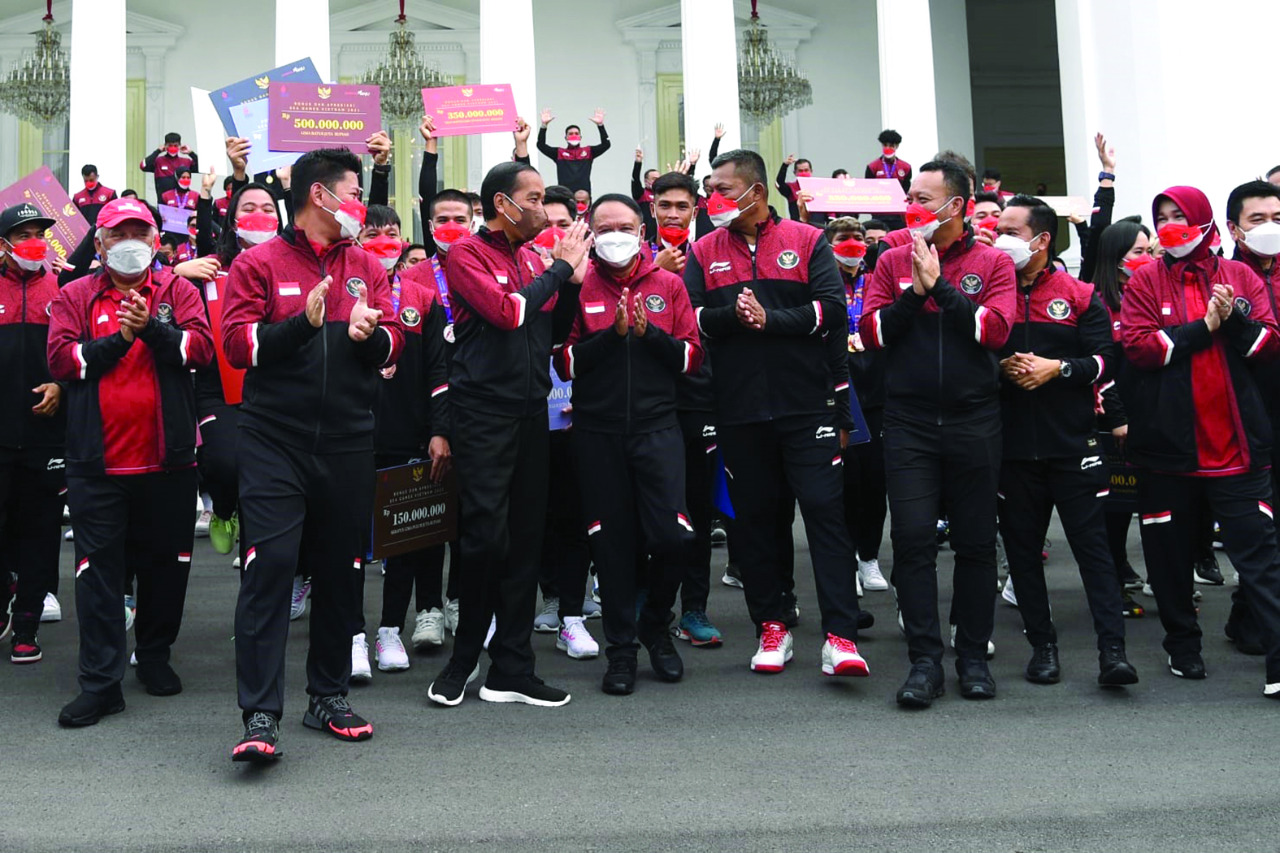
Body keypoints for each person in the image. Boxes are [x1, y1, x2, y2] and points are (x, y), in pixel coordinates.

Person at [221, 147, 404, 761]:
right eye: (354, 193)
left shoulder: (366, 265)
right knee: (270, 568)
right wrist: (304, 322)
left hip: (349, 441)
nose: (362, 205)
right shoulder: (258, 263)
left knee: (340, 571)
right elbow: (238, 347)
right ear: (320, 196)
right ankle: (260, 714)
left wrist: (370, 336)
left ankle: (327, 696)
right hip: (274, 440)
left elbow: (394, 343)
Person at [686, 148, 869, 680]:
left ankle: (840, 637)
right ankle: (772, 625)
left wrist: (772, 320)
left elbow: (832, 310)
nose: (712, 199)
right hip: (738, 410)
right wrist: (733, 317)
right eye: (710, 191)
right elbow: (692, 318)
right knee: (756, 522)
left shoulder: (807, 241)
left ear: (757, 192)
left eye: (722, 189)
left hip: (807, 405)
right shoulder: (703, 250)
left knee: (824, 514)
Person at [424, 160, 590, 710]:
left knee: (524, 540)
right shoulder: (467, 254)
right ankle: (463, 659)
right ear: (503, 204)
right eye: (535, 198)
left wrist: (570, 281)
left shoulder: (532, 258)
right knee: (485, 540)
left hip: (531, 413)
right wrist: (559, 270)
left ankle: (512, 668)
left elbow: (553, 329)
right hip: (481, 415)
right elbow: (507, 313)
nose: (544, 208)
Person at [47, 198, 214, 725]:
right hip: (96, 466)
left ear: (155, 242)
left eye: (140, 233)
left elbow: (201, 351)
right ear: (98, 244)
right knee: (97, 577)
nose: (130, 243)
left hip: (169, 462)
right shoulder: (75, 295)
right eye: (119, 234)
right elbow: (62, 360)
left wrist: (152, 330)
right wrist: (120, 340)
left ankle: (155, 656)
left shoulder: (178, 291)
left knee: (167, 567)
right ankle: (101, 684)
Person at [859, 159, 1016, 708]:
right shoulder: (891, 259)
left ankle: (972, 658)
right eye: (910, 196)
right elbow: (872, 333)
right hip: (908, 422)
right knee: (912, 540)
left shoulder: (993, 262)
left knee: (975, 543)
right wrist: (913, 293)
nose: (911, 206)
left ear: (957, 205)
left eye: (922, 198)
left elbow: (995, 332)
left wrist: (942, 289)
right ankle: (925, 662)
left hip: (975, 420)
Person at [1119, 184, 1280, 697]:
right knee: (1169, 559)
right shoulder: (1145, 279)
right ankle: (1182, 644)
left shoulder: (1239, 275)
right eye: (1163, 217)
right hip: (1167, 452)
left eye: (1180, 216)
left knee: (1261, 560)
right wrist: (1200, 328)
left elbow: (1267, 345)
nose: (1171, 226)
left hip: (1238, 449)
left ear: (1206, 222)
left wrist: (1232, 321)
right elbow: (1139, 349)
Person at [555, 193, 701, 694]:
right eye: (604, 228)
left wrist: (648, 334)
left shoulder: (669, 284)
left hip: (658, 430)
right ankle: (620, 651)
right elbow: (564, 364)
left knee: (674, 537)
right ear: (591, 233)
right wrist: (613, 336)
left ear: (642, 231)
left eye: (624, 227)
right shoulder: (578, 285)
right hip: (597, 433)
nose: (614, 236)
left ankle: (655, 624)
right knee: (611, 546)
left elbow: (692, 359)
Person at [991, 195, 1138, 686]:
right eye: (997, 229)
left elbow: (1105, 361)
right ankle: (1043, 647)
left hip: (1074, 446)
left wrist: (1058, 369)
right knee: (1023, 554)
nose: (999, 238)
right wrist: (1000, 368)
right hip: (1013, 450)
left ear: (1041, 239)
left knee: (1093, 553)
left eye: (1010, 231)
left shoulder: (1078, 293)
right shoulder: (989, 291)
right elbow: (972, 353)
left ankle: (1112, 653)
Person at [527, 185, 601, 656]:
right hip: (532, 418)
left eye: (564, 224)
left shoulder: (596, 276)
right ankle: (550, 596)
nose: (555, 233)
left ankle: (573, 610)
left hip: (582, 421)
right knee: (536, 518)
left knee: (576, 517)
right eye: (546, 223)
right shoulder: (524, 274)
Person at [0, 203, 66, 665]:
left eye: (39, 234)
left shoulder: (62, 289)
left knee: (41, 531)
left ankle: (26, 625)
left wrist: (62, 385)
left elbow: (76, 351)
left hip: (47, 436)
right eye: (23, 235)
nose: (33, 242)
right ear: (3, 245)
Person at [1222, 180, 1280, 654]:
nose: (1269, 228)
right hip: (1244, 417)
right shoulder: (1223, 279)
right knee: (1258, 528)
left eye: (1278, 219)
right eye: (1257, 219)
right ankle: (1252, 618)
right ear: (1234, 228)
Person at [1092, 217, 1153, 615]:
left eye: (1150, 251)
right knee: (1114, 505)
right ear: (1116, 258)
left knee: (1148, 502)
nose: (1147, 258)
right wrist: (1116, 417)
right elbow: (1101, 368)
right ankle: (1113, 579)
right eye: (1138, 252)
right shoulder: (1098, 302)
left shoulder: (1148, 296)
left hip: (1152, 415)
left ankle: (1154, 576)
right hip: (1113, 421)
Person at [825, 217, 889, 595]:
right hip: (838, 389)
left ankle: (869, 557)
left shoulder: (878, 279)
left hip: (876, 388)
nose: (852, 243)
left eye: (858, 237)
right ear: (829, 244)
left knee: (875, 481)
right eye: (844, 238)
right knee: (843, 480)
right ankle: (845, 558)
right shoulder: (822, 281)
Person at [537, 108, 611, 194]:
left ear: (580, 137)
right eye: (570, 134)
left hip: (584, 195)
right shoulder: (559, 153)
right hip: (565, 195)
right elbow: (541, 145)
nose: (574, 135)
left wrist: (600, 125)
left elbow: (606, 144)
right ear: (566, 137)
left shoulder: (588, 151)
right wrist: (544, 125)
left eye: (576, 133)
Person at [140, 133, 197, 199]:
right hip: (163, 201)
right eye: (170, 145)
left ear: (179, 146)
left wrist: (191, 153)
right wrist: (157, 151)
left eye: (175, 145)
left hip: (182, 201)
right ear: (165, 146)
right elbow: (143, 166)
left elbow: (203, 168)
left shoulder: (186, 161)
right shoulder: (158, 161)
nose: (173, 148)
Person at [775, 154, 814, 222]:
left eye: (806, 170)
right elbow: (779, 183)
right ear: (795, 173)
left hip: (816, 226)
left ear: (811, 171)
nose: (803, 173)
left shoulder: (818, 188)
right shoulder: (791, 188)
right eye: (800, 171)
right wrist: (785, 165)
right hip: (798, 225)